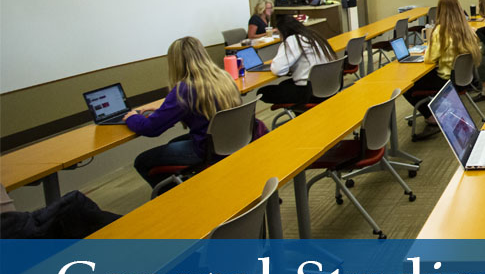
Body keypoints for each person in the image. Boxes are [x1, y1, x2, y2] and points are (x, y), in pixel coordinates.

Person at [126, 36, 243, 187]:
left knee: (142, 161)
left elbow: (151, 128)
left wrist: (132, 118)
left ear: (176, 62)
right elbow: (202, 106)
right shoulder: (224, 77)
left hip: (207, 148)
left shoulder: (184, 89)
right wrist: (164, 108)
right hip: (230, 140)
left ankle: (173, 197)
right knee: (173, 143)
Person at [407, 0, 481, 136]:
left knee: (408, 86)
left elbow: (429, 59)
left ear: (440, 11)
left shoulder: (440, 31)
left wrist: (428, 47)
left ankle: (431, 117)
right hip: (464, 79)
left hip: (446, 80)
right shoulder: (468, 29)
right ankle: (438, 109)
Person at [258, 15, 336, 105]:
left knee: (262, 92)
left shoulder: (293, 39)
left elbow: (278, 70)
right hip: (330, 84)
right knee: (284, 84)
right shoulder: (313, 35)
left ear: (283, 31)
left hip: (310, 91)